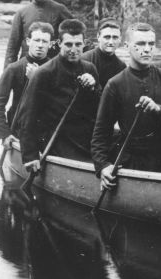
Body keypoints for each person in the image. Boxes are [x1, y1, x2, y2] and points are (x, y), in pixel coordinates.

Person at [92, 23, 161, 189]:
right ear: (127, 46)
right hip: (133, 159)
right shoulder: (115, 84)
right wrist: (102, 166)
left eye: (151, 44)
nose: (147, 49)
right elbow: (101, 133)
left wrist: (158, 109)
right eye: (140, 44)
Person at [17, 19, 100, 172]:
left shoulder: (90, 68)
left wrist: (93, 87)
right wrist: (30, 156)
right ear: (59, 43)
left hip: (84, 135)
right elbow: (27, 115)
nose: (74, 49)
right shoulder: (44, 73)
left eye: (78, 44)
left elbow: (98, 108)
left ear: (84, 44)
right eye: (68, 44)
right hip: (56, 137)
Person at [0, 22, 53, 148]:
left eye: (44, 41)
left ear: (50, 44)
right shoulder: (14, 69)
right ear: (28, 41)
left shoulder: (55, 68)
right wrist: (4, 134)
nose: (40, 45)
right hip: (19, 130)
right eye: (36, 40)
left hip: (48, 131)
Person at [3, 0, 73, 68]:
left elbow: (75, 37)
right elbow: (12, 48)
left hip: (53, 66)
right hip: (27, 66)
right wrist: (7, 73)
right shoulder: (21, 14)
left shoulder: (60, 10)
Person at [81, 17, 126, 88]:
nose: (111, 42)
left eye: (115, 37)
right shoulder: (84, 59)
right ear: (98, 37)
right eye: (107, 37)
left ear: (120, 39)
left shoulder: (121, 66)